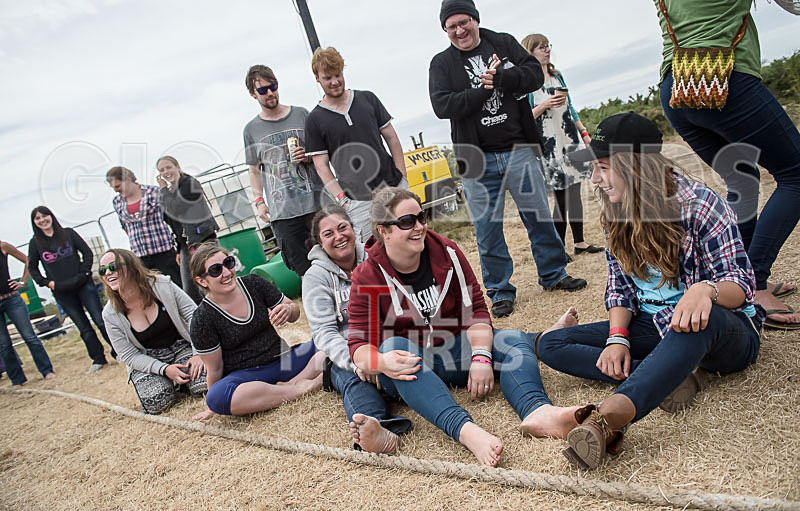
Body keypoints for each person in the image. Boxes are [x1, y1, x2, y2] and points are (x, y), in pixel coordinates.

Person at [536, 112, 763, 470]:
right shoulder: (615, 208)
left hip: (721, 329)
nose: (595, 178)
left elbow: (743, 285)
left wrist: (706, 290)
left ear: (635, 166)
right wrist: (617, 338)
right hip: (653, 326)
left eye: (604, 167)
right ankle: (671, 374)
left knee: (696, 321)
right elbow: (621, 287)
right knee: (550, 343)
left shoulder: (700, 204)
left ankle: (608, 418)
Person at [347, 187, 582, 466]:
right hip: (407, 367)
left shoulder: (446, 251)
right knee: (394, 347)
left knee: (513, 339)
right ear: (383, 231)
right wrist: (382, 361)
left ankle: (538, 412)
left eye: (422, 217)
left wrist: (481, 355)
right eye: (407, 222)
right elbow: (358, 346)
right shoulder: (367, 275)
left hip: (451, 350)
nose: (420, 227)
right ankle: (467, 432)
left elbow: (477, 311)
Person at [429, 0, 587, 319]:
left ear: (475, 19)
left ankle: (554, 274)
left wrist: (501, 78)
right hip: (476, 157)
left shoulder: (502, 42)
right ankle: (500, 290)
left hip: (518, 148)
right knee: (487, 228)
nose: (459, 30)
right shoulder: (441, 63)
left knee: (538, 216)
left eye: (464, 22)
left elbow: (532, 76)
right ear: (445, 30)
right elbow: (441, 105)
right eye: (451, 26)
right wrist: (482, 91)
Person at [655, 0, 800, 329]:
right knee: (795, 173)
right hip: (725, 78)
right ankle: (755, 283)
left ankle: (734, 281)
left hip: (675, 86)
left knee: (743, 182)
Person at [302, 205, 413, 453]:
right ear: (319, 244)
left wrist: (381, 356)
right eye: (328, 234)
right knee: (355, 380)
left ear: (354, 229)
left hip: (386, 341)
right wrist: (359, 361)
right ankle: (378, 429)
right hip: (346, 354)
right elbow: (324, 333)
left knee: (408, 359)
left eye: (343, 227)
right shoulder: (315, 277)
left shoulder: (378, 257)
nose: (339, 236)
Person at [189, 243, 326, 421]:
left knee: (328, 344)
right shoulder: (202, 319)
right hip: (248, 379)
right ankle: (302, 387)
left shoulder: (253, 283)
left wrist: (288, 310)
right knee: (216, 396)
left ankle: (290, 386)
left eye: (228, 263)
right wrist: (212, 407)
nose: (226, 273)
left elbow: (294, 312)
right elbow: (214, 368)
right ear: (201, 280)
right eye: (215, 270)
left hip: (285, 361)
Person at [304, 47, 408, 242]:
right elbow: (321, 165)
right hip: (358, 201)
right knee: (372, 255)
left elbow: (392, 138)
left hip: (394, 186)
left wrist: (402, 176)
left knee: (410, 239)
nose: (335, 82)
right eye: (328, 78)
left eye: (338, 75)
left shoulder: (367, 99)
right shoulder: (314, 119)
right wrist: (342, 199)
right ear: (318, 78)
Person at [520, 33, 602, 260]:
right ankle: (559, 250)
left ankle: (580, 242)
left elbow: (571, 107)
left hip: (570, 139)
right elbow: (525, 117)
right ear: (530, 51)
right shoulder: (527, 83)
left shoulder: (558, 76)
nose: (547, 50)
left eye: (548, 46)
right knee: (561, 197)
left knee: (575, 191)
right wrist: (545, 104)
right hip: (548, 144)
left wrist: (584, 133)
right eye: (541, 47)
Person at [100, 249, 208, 415]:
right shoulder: (110, 313)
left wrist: (198, 352)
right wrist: (164, 370)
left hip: (180, 347)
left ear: (132, 266)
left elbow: (194, 316)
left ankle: (183, 383)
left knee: (204, 386)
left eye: (113, 266)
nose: (108, 273)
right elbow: (128, 356)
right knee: (157, 403)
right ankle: (172, 382)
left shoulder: (162, 285)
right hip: (148, 359)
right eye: (102, 270)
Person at [243, 65, 325, 278]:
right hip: (284, 215)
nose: (270, 93)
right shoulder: (251, 130)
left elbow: (322, 155)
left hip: (317, 205)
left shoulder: (302, 114)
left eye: (273, 87)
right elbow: (254, 171)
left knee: (334, 261)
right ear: (253, 94)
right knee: (305, 274)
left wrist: (307, 155)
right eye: (262, 90)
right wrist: (259, 201)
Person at [28, 206, 115, 373]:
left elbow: (87, 253)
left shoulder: (68, 233)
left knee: (101, 320)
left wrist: (85, 272)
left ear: (51, 216)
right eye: (37, 218)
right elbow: (32, 268)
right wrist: (47, 283)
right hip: (62, 291)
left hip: (84, 285)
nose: (42, 220)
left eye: (44, 216)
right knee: (84, 328)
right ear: (34, 222)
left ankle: (119, 352)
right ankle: (98, 359)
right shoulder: (35, 243)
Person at [106, 166, 182, 286]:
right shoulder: (117, 202)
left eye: (117, 186)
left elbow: (172, 219)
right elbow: (124, 226)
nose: (116, 190)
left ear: (127, 179)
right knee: (154, 291)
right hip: (141, 257)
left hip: (164, 252)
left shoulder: (154, 192)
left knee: (177, 286)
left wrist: (179, 246)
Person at [157, 156, 219, 302]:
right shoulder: (169, 192)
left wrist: (164, 190)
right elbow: (172, 223)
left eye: (168, 167)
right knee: (191, 291)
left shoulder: (189, 183)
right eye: (162, 170)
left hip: (202, 239)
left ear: (177, 166)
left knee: (212, 282)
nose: (166, 172)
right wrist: (179, 248)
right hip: (186, 245)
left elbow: (177, 207)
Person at [0, 239, 55, 387]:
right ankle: (17, 380)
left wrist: (23, 282)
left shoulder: (3, 246)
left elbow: (28, 261)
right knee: (3, 344)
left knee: (29, 336)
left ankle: (47, 370)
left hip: (12, 299)